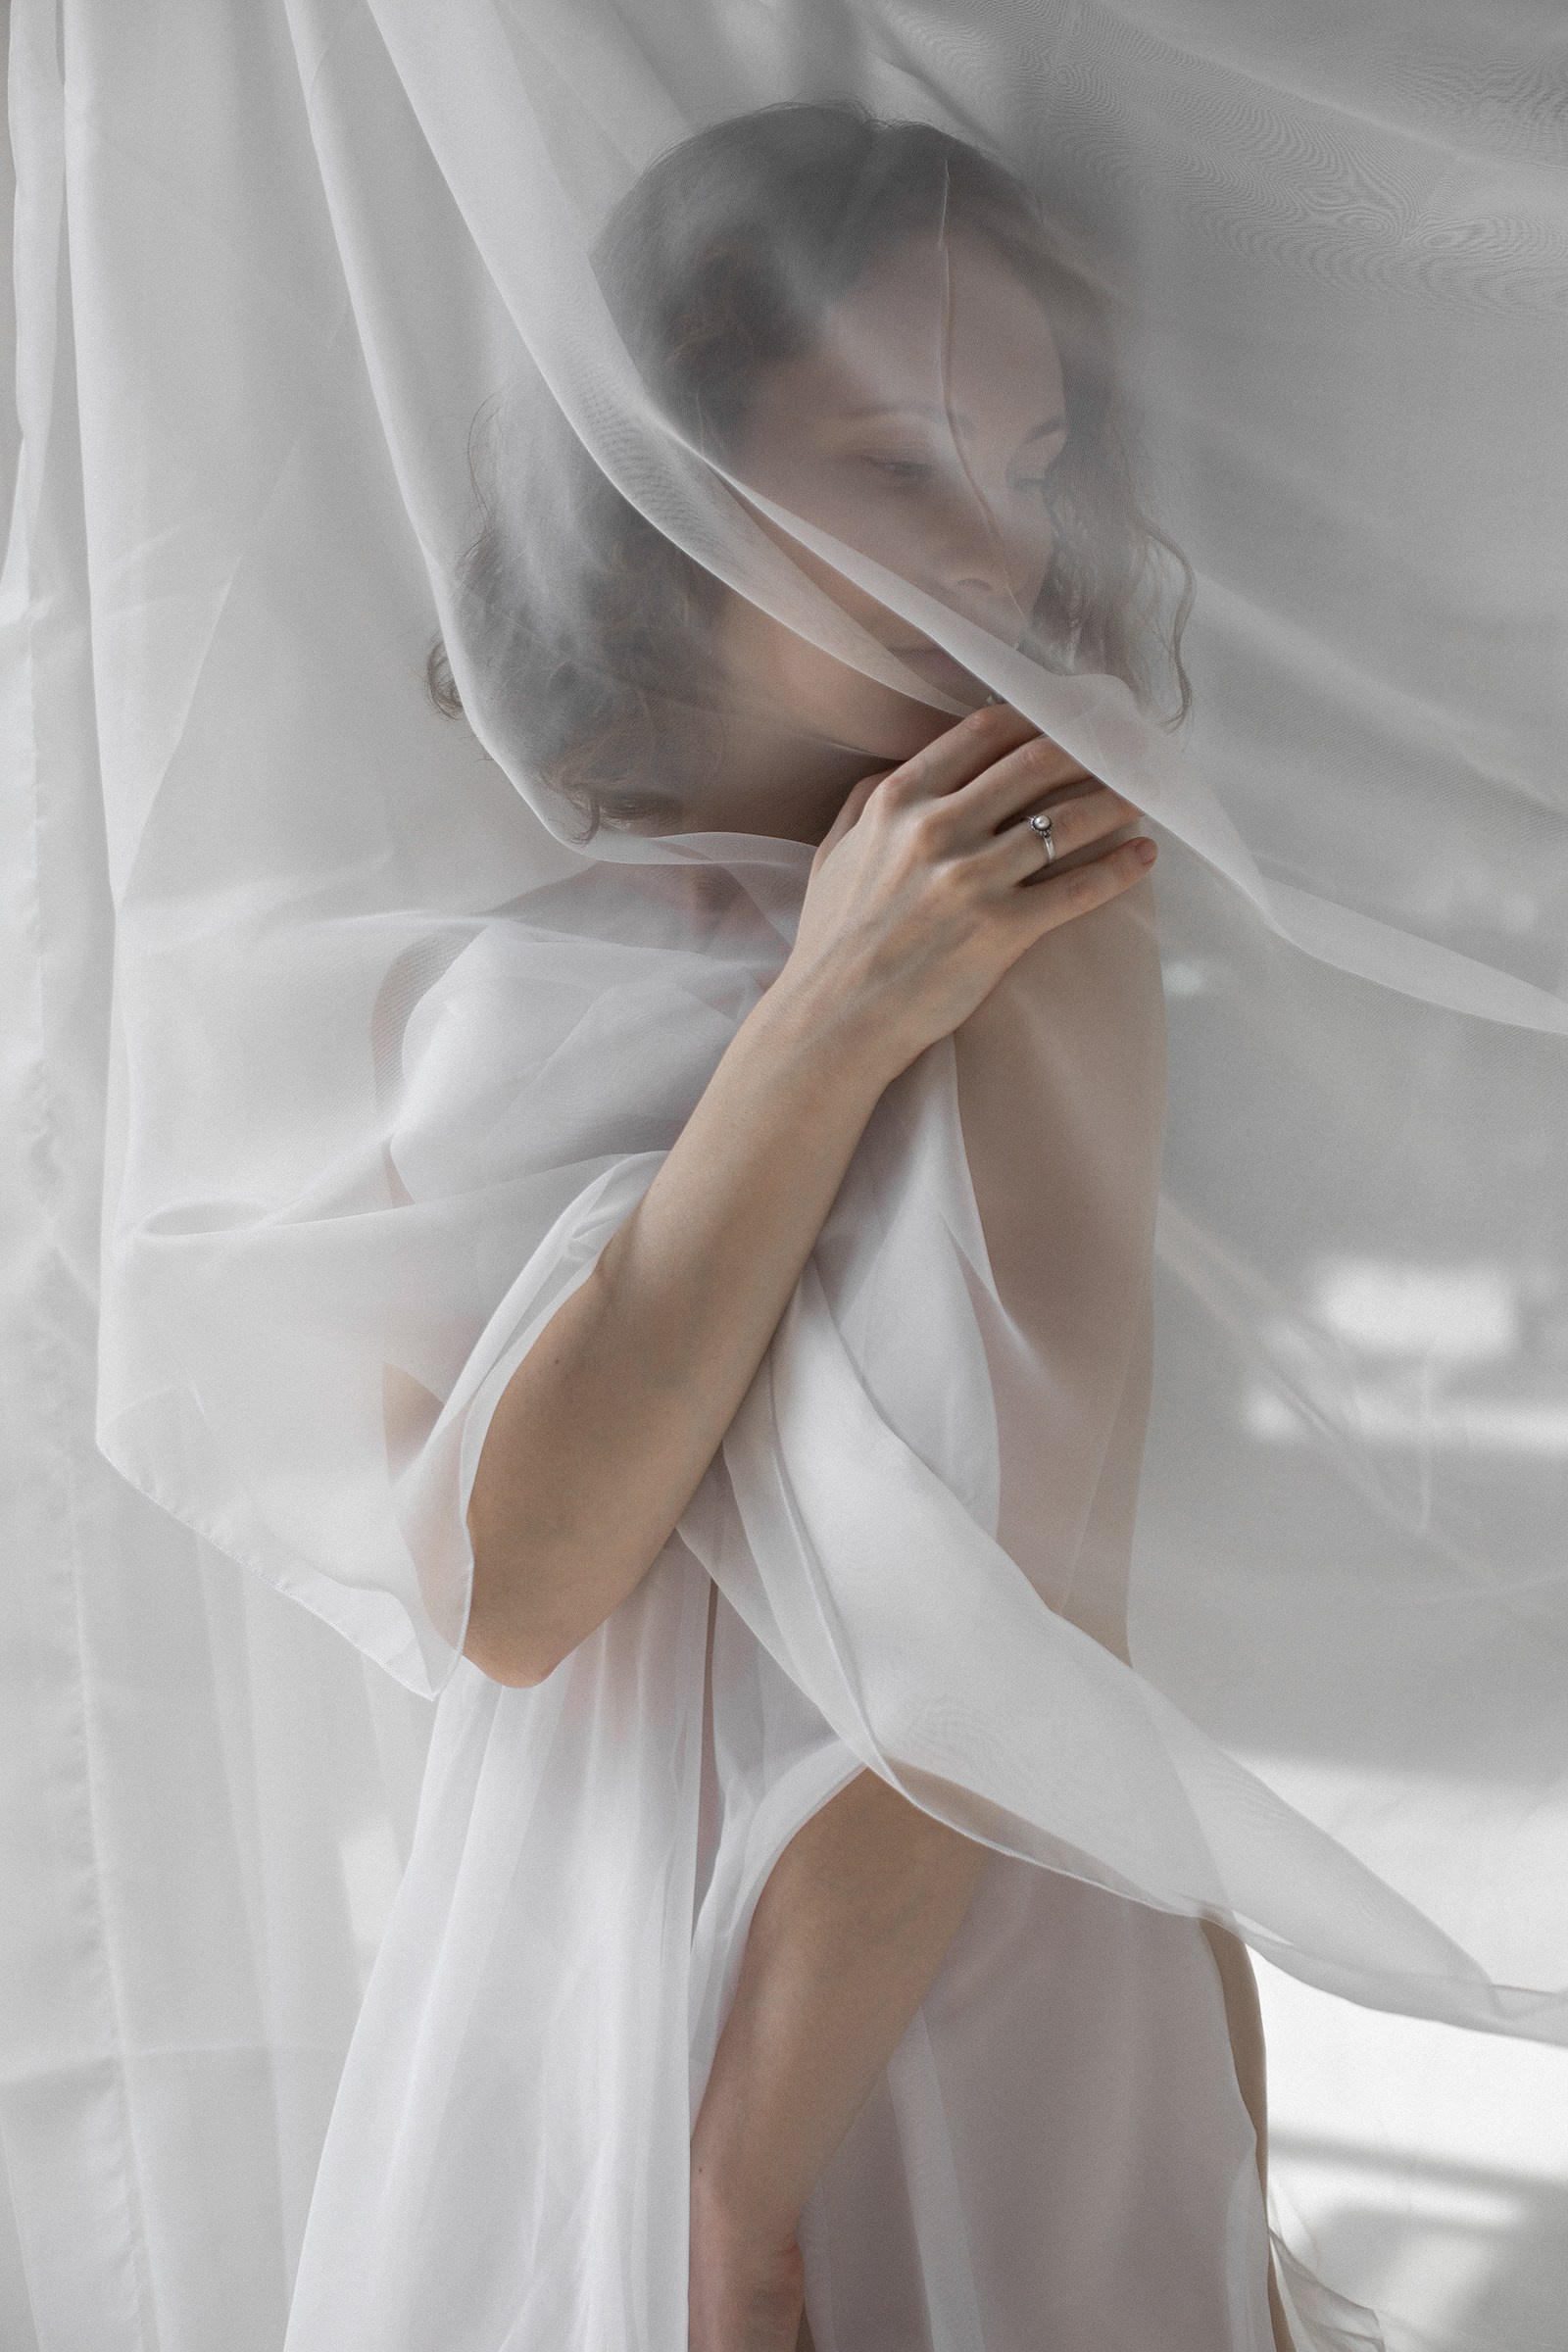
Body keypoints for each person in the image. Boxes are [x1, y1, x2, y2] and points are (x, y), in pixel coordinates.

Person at [423, 104, 1293, 2352]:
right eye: (902, 463)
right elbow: (512, 1587)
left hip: (921, 1996)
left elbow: (1007, 1611)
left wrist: (739, 2189)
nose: (998, 557)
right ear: (673, 474)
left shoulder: (1040, 905)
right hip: (581, 1954)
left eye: (1035, 464)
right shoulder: (515, 960)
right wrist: (824, 1017)